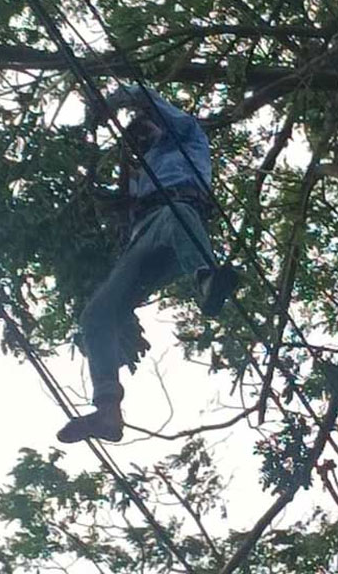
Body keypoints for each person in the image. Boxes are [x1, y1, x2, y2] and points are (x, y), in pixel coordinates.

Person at [56, 85, 238, 444]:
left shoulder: (187, 135)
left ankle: (206, 280)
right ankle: (108, 411)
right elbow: (122, 209)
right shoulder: (144, 170)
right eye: (136, 137)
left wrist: (109, 103)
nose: (142, 137)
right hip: (143, 241)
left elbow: (143, 94)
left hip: (178, 216)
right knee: (96, 316)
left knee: (177, 215)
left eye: (145, 128)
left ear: (157, 122)